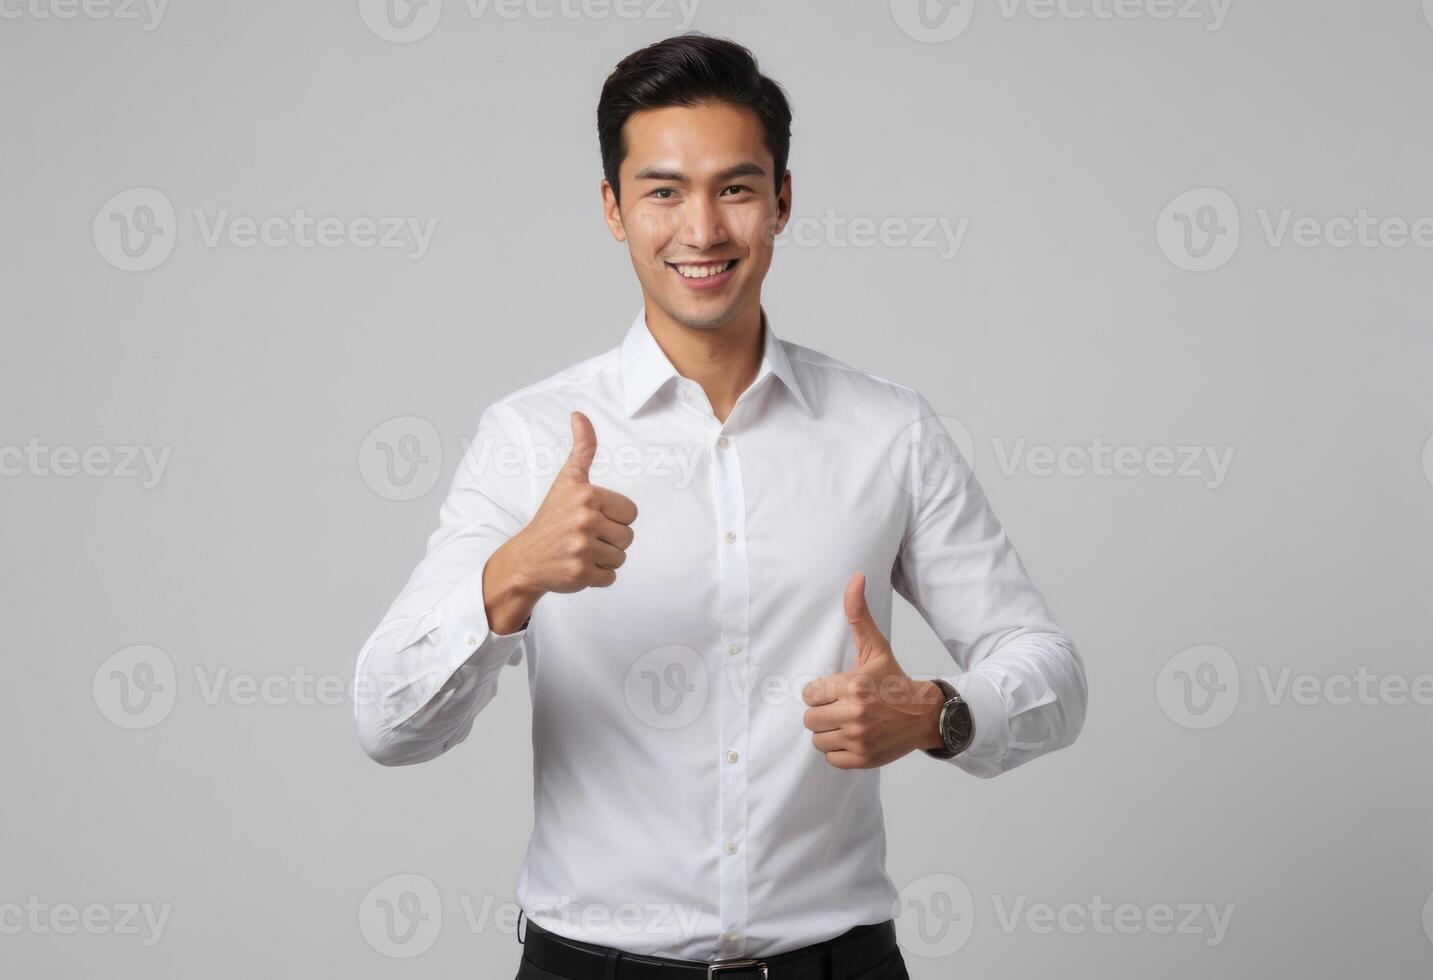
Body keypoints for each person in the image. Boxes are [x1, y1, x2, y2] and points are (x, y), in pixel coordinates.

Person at [354, 32, 1088, 980]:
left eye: (735, 188)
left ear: (782, 200)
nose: (701, 230)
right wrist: (510, 580)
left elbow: (1052, 673)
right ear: (613, 211)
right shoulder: (530, 439)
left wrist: (936, 712)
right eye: (663, 191)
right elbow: (387, 722)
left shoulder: (888, 431)